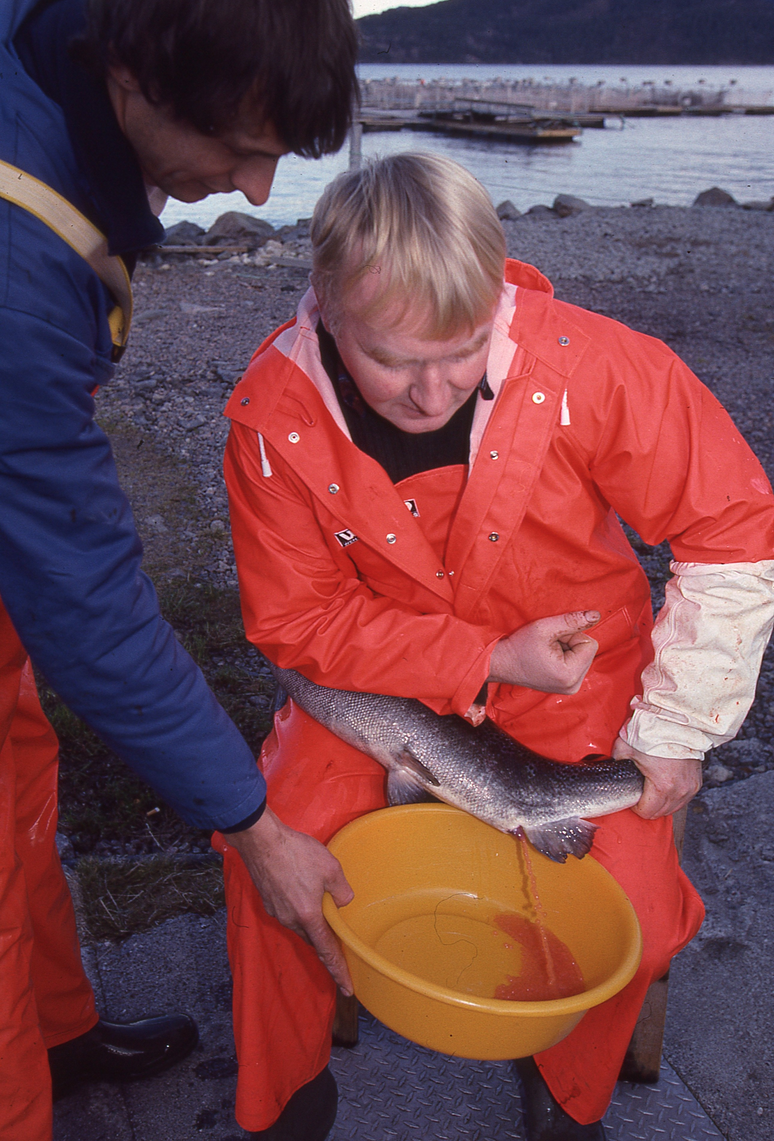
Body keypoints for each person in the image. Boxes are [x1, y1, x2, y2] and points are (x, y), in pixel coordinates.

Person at [218, 152, 774, 1140]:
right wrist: (478, 658)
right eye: (393, 360)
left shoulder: (598, 367)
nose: (432, 394)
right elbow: (296, 627)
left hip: (579, 687)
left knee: (634, 926)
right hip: (373, 694)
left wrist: (680, 727)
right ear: (327, 312)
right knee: (274, 859)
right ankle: (289, 1099)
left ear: (498, 297)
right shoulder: (271, 419)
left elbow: (734, 528)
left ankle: (570, 1098)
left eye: (465, 351)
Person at [0, 0, 359, 1139]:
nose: (257, 192)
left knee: (22, 776)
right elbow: (90, 601)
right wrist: (253, 823)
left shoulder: (59, 86)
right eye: (240, 148)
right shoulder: (12, 254)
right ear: (138, 73)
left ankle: (57, 1030)